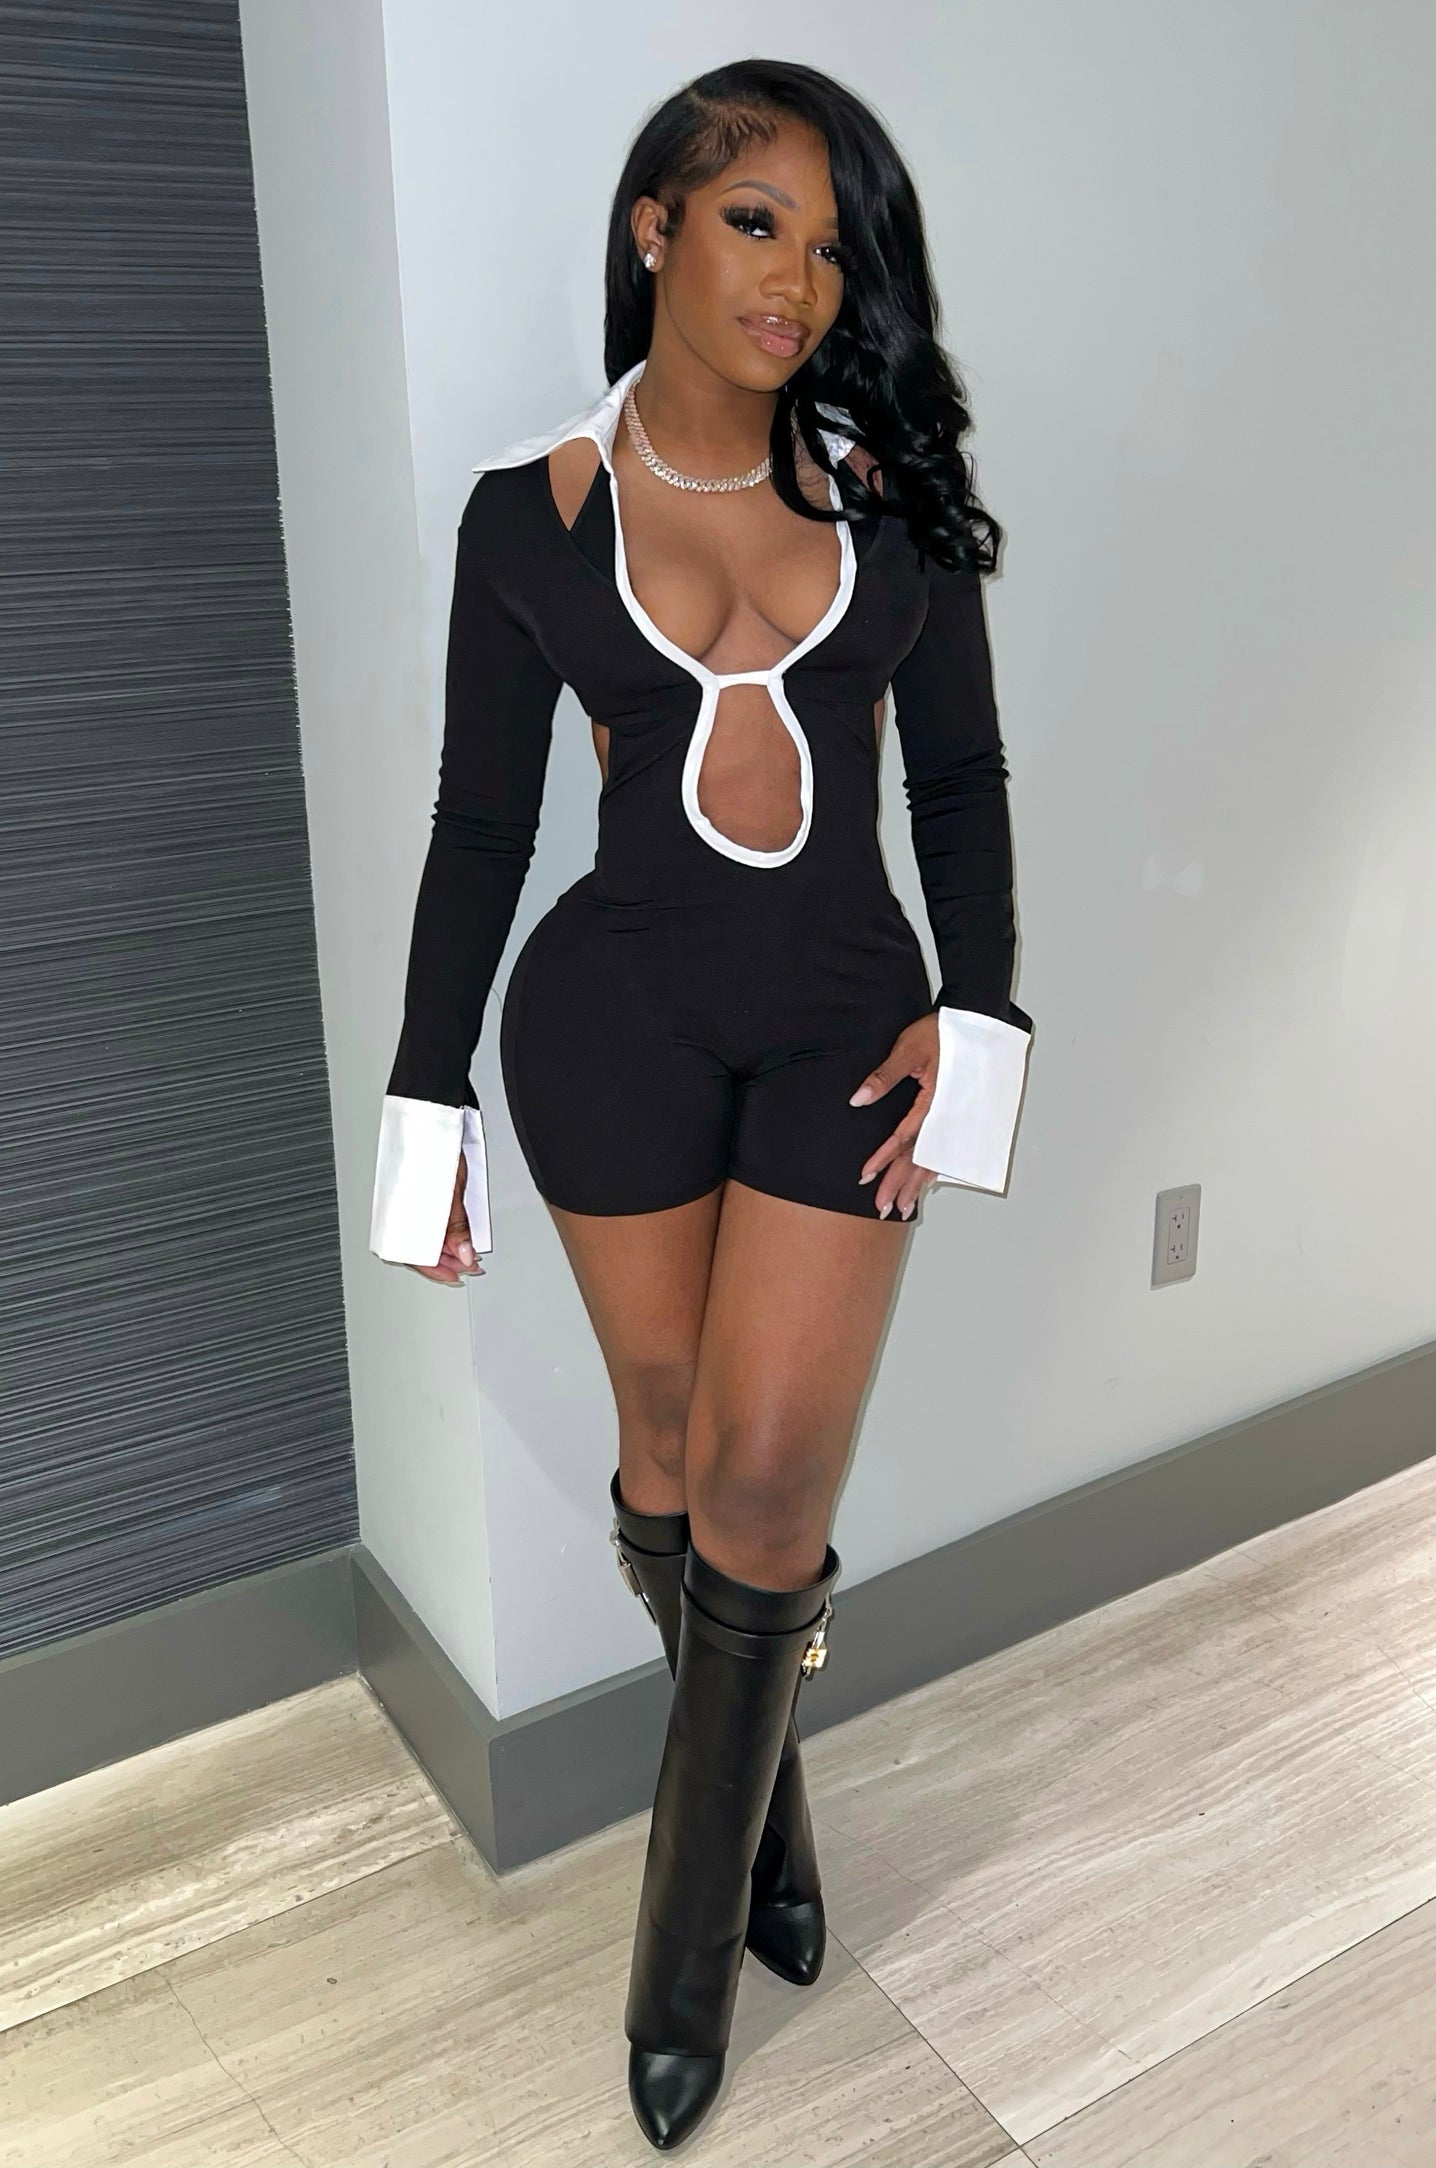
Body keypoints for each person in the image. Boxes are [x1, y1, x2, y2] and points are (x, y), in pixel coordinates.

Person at [370, 55, 1034, 2153]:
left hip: (846, 1029)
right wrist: (424, 1099)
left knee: (761, 1476)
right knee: (666, 1452)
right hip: (610, 1028)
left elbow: (959, 782)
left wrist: (980, 1018)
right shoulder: (531, 517)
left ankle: (676, 1986)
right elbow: (484, 825)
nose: (797, 281)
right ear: (655, 224)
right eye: (758, 222)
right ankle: (770, 1836)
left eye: (832, 249)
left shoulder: (885, 496)